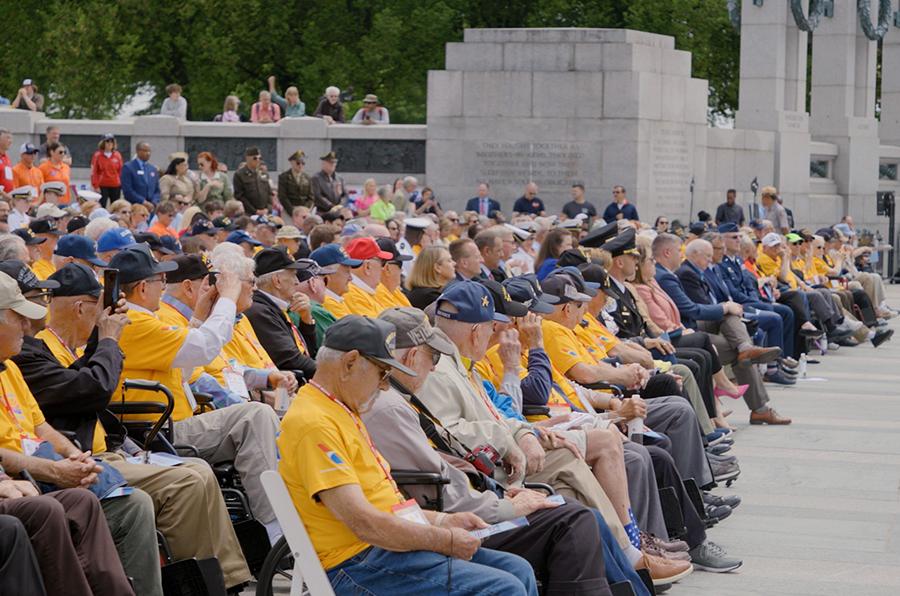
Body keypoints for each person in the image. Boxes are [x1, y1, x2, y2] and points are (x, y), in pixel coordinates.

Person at [10, 261, 252, 589]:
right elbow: (90, 390)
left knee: (198, 470)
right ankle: (194, 586)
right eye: (25, 308)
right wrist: (109, 339)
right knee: (182, 483)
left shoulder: (25, 360)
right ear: (82, 307)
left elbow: (47, 420)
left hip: (92, 452)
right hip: (50, 469)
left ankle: (226, 581)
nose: (32, 318)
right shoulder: (31, 353)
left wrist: (104, 339)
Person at [366, 307, 636, 595]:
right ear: (410, 357)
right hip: (461, 517)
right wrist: (504, 504)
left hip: (475, 496)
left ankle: (637, 574)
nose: (434, 366)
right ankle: (635, 564)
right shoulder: (392, 406)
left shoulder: (402, 396)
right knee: (574, 520)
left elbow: (449, 457)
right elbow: (437, 482)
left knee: (579, 514)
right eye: (432, 356)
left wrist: (504, 478)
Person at [277, 314, 539, 594]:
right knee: (504, 588)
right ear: (350, 363)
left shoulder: (340, 409)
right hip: (356, 563)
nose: (385, 385)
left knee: (517, 570)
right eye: (382, 373)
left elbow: (383, 505)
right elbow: (363, 522)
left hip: (380, 551)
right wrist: (443, 540)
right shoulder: (314, 423)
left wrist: (443, 520)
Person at [0, 270, 161, 595]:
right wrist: (54, 470)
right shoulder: (29, 356)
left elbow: (40, 425)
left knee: (103, 501)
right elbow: (92, 388)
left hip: (39, 471)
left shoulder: (11, 366)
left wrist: (74, 457)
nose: (28, 327)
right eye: (18, 318)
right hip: (25, 477)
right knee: (50, 508)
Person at [108, 244, 283, 542]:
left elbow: (185, 369)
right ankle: (276, 528)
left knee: (259, 418)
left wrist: (201, 314)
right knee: (255, 416)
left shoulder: (141, 319)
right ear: (141, 288)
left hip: (169, 423)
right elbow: (204, 348)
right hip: (156, 431)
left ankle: (275, 523)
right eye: (159, 281)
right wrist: (227, 297)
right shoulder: (134, 322)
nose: (164, 287)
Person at [652, 233, 792, 425]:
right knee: (737, 342)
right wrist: (725, 307)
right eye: (678, 251)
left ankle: (745, 349)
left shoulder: (667, 275)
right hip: (682, 332)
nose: (681, 255)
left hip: (689, 327)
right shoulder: (670, 276)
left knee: (733, 322)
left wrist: (727, 307)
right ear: (667, 253)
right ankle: (758, 407)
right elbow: (691, 309)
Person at [245, 247, 318, 384]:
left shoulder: (273, 306)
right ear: (277, 281)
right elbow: (292, 360)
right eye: (293, 275)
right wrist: (329, 373)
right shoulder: (259, 312)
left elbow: (308, 352)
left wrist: (306, 318)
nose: (297, 281)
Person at [342, 237, 393, 317]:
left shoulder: (363, 290)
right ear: (367, 267)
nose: (383, 269)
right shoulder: (353, 295)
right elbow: (378, 327)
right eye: (382, 263)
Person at [309, 243, 362, 319]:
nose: (351, 278)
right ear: (326, 277)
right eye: (347, 272)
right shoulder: (327, 303)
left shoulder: (336, 298)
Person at [405, 245, 455, 309]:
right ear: (437, 268)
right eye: (449, 260)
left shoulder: (422, 293)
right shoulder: (430, 297)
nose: (454, 263)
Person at [373, 237, 413, 310]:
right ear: (387, 268)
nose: (402, 270)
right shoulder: (379, 293)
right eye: (400, 264)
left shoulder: (394, 290)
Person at [233, 146, 272, 214]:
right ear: (248, 158)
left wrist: (268, 209)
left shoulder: (264, 173)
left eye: (260, 158)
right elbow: (239, 196)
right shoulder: (239, 174)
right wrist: (254, 211)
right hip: (249, 213)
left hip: (265, 212)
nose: (258, 160)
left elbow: (269, 193)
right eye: (255, 158)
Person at [89, 134, 123, 206]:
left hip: (115, 185)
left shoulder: (117, 155)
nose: (110, 143)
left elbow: (120, 170)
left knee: (115, 206)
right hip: (102, 185)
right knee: (101, 205)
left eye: (112, 141)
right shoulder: (97, 155)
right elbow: (94, 171)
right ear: (103, 143)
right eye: (107, 141)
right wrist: (95, 185)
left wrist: (121, 183)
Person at [277, 150, 313, 215]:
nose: (300, 165)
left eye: (303, 163)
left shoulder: (308, 178)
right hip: (289, 210)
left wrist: (305, 210)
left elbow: (311, 197)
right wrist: (292, 211)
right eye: (298, 163)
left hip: (304, 211)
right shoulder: (284, 177)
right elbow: (282, 197)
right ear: (292, 162)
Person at [0, 129, 14, 199]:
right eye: (7, 138)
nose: (10, 141)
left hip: (7, 198)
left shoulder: (6, 158)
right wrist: (4, 195)